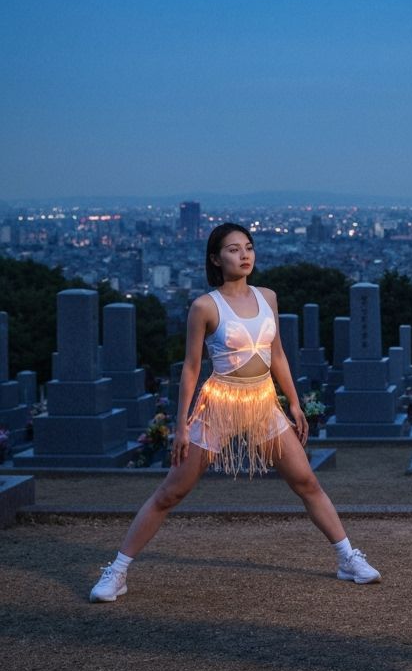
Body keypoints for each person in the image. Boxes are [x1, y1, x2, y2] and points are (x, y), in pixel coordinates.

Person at [89, 223, 380, 602]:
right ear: (215, 258)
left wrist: (293, 401)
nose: (244, 255)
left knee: (306, 482)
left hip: (263, 401)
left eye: (249, 247)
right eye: (233, 250)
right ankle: (118, 570)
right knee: (172, 492)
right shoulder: (205, 306)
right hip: (220, 402)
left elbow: (276, 355)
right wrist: (181, 424)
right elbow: (192, 368)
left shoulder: (268, 297)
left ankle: (347, 557)